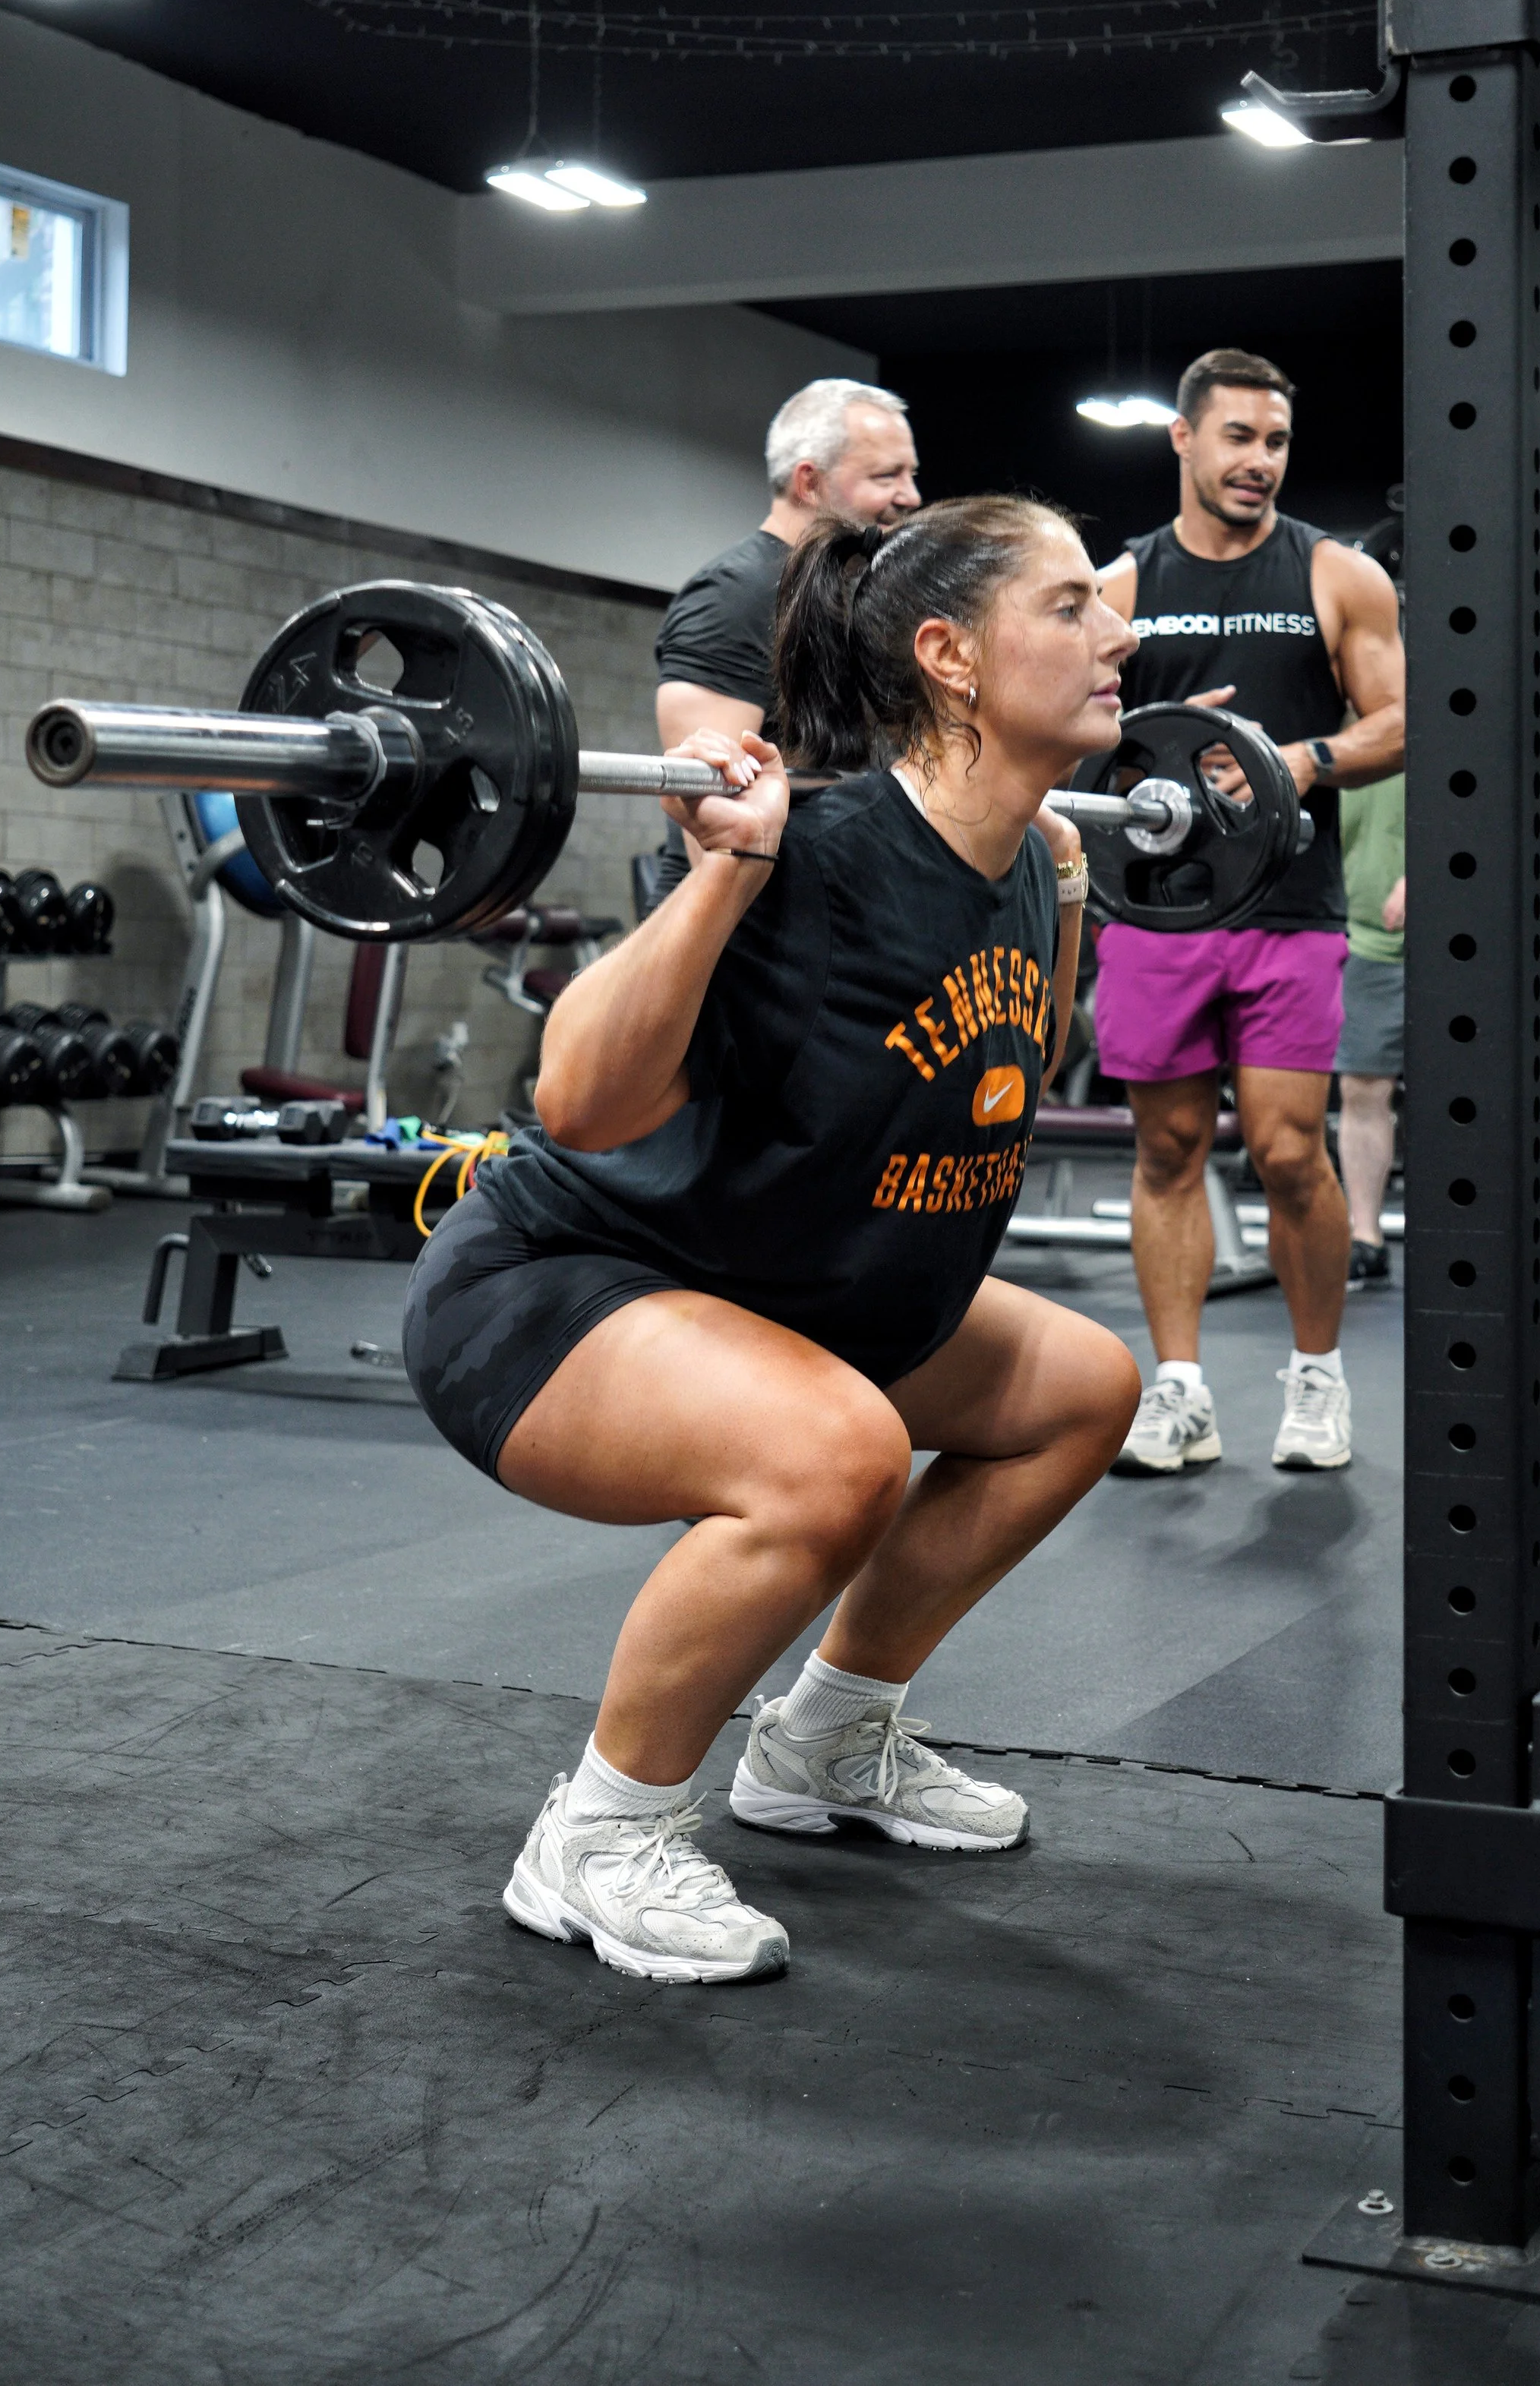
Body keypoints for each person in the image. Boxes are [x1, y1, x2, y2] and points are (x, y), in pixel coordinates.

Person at [403, 498, 1141, 1986]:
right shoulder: (817, 851)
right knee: (836, 1456)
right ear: (949, 656)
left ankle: (824, 1743)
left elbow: (1006, 1070)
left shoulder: (1022, 856)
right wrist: (724, 873)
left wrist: (1064, 888)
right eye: (1069, 607)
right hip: (559, 1292)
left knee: (1080, 1389)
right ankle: (600, 1833)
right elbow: (576, 1100)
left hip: (778, 1282)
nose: (1116, 634)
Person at [1093, 347, 1405, 1479]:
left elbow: (1400, 721)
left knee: (1286, 1150)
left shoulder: (1336, 574)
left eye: (1275, 441)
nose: (1258, 461)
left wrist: (1297, 760)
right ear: (1184, 438)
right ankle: (1180, 1391)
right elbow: (1071, 730)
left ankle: (1316, 1374)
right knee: (1168, 1147)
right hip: (1158, 909)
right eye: (1237, 437)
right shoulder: (1120, 587)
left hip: (1288, 907)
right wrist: (1147, 755)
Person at [649, 377, 922, 898]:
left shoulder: (852, 597)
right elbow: (713, 827)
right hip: (745, 929)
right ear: (809, 483)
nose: (910, 495)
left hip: (830, 911)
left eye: (911, 474)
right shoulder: (734, 597)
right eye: (887, 475)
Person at [1336, 773, 1406, 1289]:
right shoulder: (1319, 742)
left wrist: (1438, 868)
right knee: (1362, 1087)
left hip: (1453, 930)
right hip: (1358, 937)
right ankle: (1366, 1236)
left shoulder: (1428, 738)